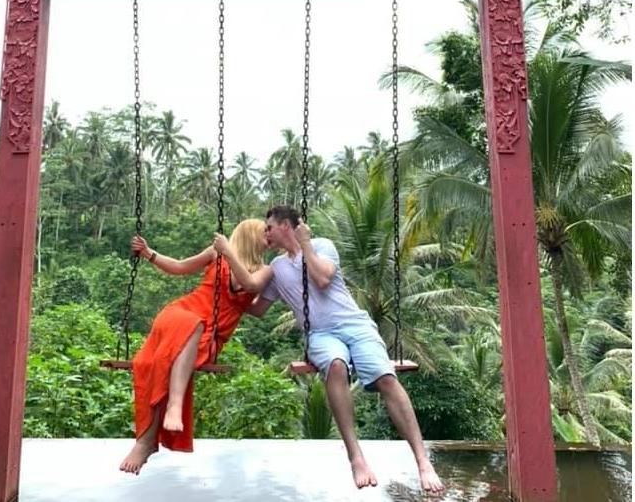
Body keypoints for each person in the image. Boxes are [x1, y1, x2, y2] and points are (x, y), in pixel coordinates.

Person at [246, 205, 445, 493]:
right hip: (321, 335)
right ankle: (356, 457)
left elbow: (323, 279)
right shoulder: (276, 268)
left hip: (355, 325)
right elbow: (258, 310)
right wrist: (226, 290)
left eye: (269, 227)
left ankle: (423, 461)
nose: (265, 233)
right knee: (336, 366)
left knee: (386, 378)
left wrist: (304, 245)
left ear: (286, 226)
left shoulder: (322, 245)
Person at [119, 218, 272, 475]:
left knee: (192, 328)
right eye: (264, 231)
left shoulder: (265, 270)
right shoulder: (216, 253)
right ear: (249, 234)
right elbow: (180, 267)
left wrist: (229, 253)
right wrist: (149, 253)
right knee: (173, 339)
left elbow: (249, 285)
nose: (269, 235)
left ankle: (154, 431)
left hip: (211, 333)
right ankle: (158, 425)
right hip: (183, 312)